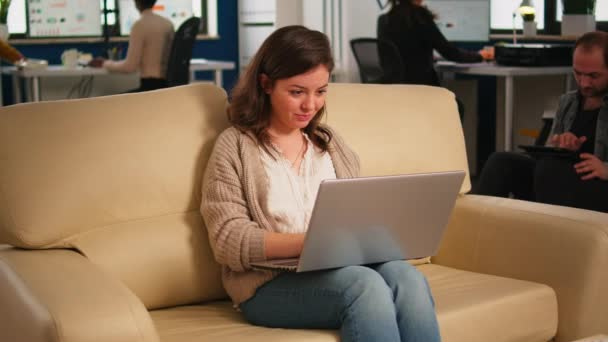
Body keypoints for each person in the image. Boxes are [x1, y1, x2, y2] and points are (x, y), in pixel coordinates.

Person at [200, 25, 441, 342]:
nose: (310, 105)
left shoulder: (331, 144)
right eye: (297, 92)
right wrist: (311, 243)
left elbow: (356, 213)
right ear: (266, 84)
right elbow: (227, 239)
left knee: (407, 277)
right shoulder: (234, 146)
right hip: (268, 285)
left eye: (321, 91)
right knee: (363, 285)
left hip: (338, 267)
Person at [474, 31, 608, 213]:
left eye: (593, 76)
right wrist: (562, 146)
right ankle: (476, 229)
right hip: (559, 180)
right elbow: (550, 150)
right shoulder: (568, 102)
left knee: (548, 169)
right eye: (578, 74)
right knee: (501, 162)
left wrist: (605, 169)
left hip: (598, 186)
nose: (584, 83)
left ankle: (547, 233)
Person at [377, 0, 493, 87]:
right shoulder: (419, 16)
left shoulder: (384, 20)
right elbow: (450, 53)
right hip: (422, 89)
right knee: (457, 107)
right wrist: (480, 55)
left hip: (393, 90)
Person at [89, 0, 174, 92]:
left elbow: (130, 67)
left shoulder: (140, 25)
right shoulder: (168, 24)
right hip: (168, 86)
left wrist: (104, 63)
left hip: (150, 87)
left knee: (114, 101)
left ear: (136, 2)